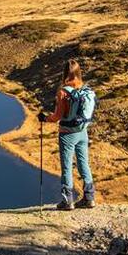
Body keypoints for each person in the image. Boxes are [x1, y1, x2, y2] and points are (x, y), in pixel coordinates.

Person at [37, 59, 96, 210]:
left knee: (67, 166)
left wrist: (45, 118)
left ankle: (67, 201)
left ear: (64, 73)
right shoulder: (84, 88)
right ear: (78, 72)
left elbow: (57, 116)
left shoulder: (63, 91)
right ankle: (89, 198)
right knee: (83, 163)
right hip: (82, 132)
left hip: (67, 134)